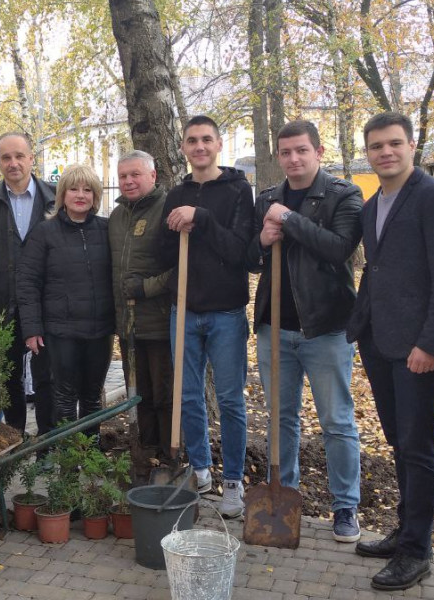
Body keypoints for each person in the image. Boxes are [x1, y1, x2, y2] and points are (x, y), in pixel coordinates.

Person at [346, 112, 434, 590]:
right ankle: (406, 529)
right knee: (399, 441)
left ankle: (418, 549)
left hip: (418, 349)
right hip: (379, 340)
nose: (385, 152)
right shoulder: (372, 204)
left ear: (413, 145)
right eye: (376, 146)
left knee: (418, 446)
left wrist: (432, 344)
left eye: (394, 143)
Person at [247, 120, 364, 543]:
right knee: (281, 419)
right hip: (275, 330)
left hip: (326, 328)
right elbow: (249, 256)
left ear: (318, 151)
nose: (293, 159)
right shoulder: (266, 198)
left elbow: (338, 248)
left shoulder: (343, 194)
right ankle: (285, 495)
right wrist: (262, 238)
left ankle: (345, 506)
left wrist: (290, 219)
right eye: (286, 152)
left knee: (336, 421)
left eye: (301, 150)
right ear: (278, 156)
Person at [159, 115, 255, 519]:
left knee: (231, 399)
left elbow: (241, 252)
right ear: (183, 147)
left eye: (206, 140)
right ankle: (200, 471)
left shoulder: (237, 190)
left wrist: (201, 218)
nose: (199, 147)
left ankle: (232, 481)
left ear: (218, 144)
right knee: (188, 395)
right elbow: (166, 252)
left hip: (226, 312)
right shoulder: (174, 193)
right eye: (192, 141)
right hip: (184, 309)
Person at [0, 132, 57, 435]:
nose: (13, 163)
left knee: (46, 376)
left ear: (32, 158)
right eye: (6, 157)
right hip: (0, 303)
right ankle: (14, 437)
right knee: (7, 375)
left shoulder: (54, 198)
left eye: (19, 156)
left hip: (46, 304)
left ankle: (46, 440)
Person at [16, 164, 114, 438]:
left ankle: (91, 459)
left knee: (93, 397)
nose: (80, 195)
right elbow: (27, 283)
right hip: (61, 332)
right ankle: (69, 466)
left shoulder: (107, 230)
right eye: (73, 189)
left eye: (87, 190)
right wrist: (32, 328)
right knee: (65, 398)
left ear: (95, 196)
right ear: (62, 195)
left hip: (100, 330)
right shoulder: (44, 233)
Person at [109, 150, 174, 462]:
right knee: (139, 395)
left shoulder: (168, 210)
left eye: (135, 174)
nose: (128, 181)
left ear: (153, 176)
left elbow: (183, 268)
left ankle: (170, 455)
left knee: (165, 396)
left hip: (160, 324)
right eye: (123, 176)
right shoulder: (117, 218)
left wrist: (146, 288)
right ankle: (145, 456)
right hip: (129, 326)